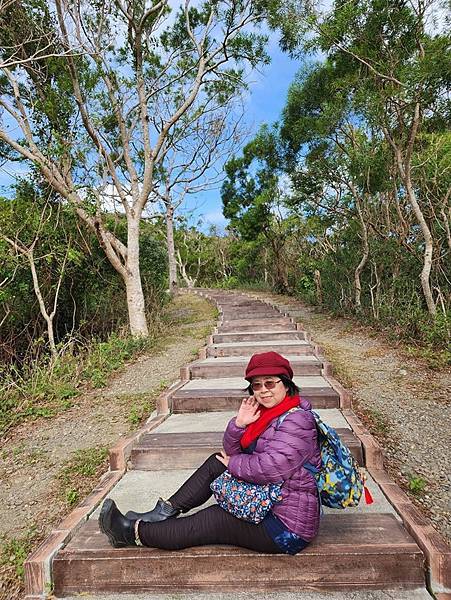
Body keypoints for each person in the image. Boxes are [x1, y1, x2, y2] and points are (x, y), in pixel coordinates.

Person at [99, 351, 321, 554]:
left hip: (286, 527)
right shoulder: (266, 415)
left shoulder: (297, 420)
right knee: (216, 462)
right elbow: (232, 452)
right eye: (256, 385)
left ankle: (131, 532)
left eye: (270, 383)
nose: (263, 390)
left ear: (286, 384)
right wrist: (239, 424)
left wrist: (232, 464)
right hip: (271, 498)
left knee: (214, 518)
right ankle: (163, 512)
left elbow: (270, 467)